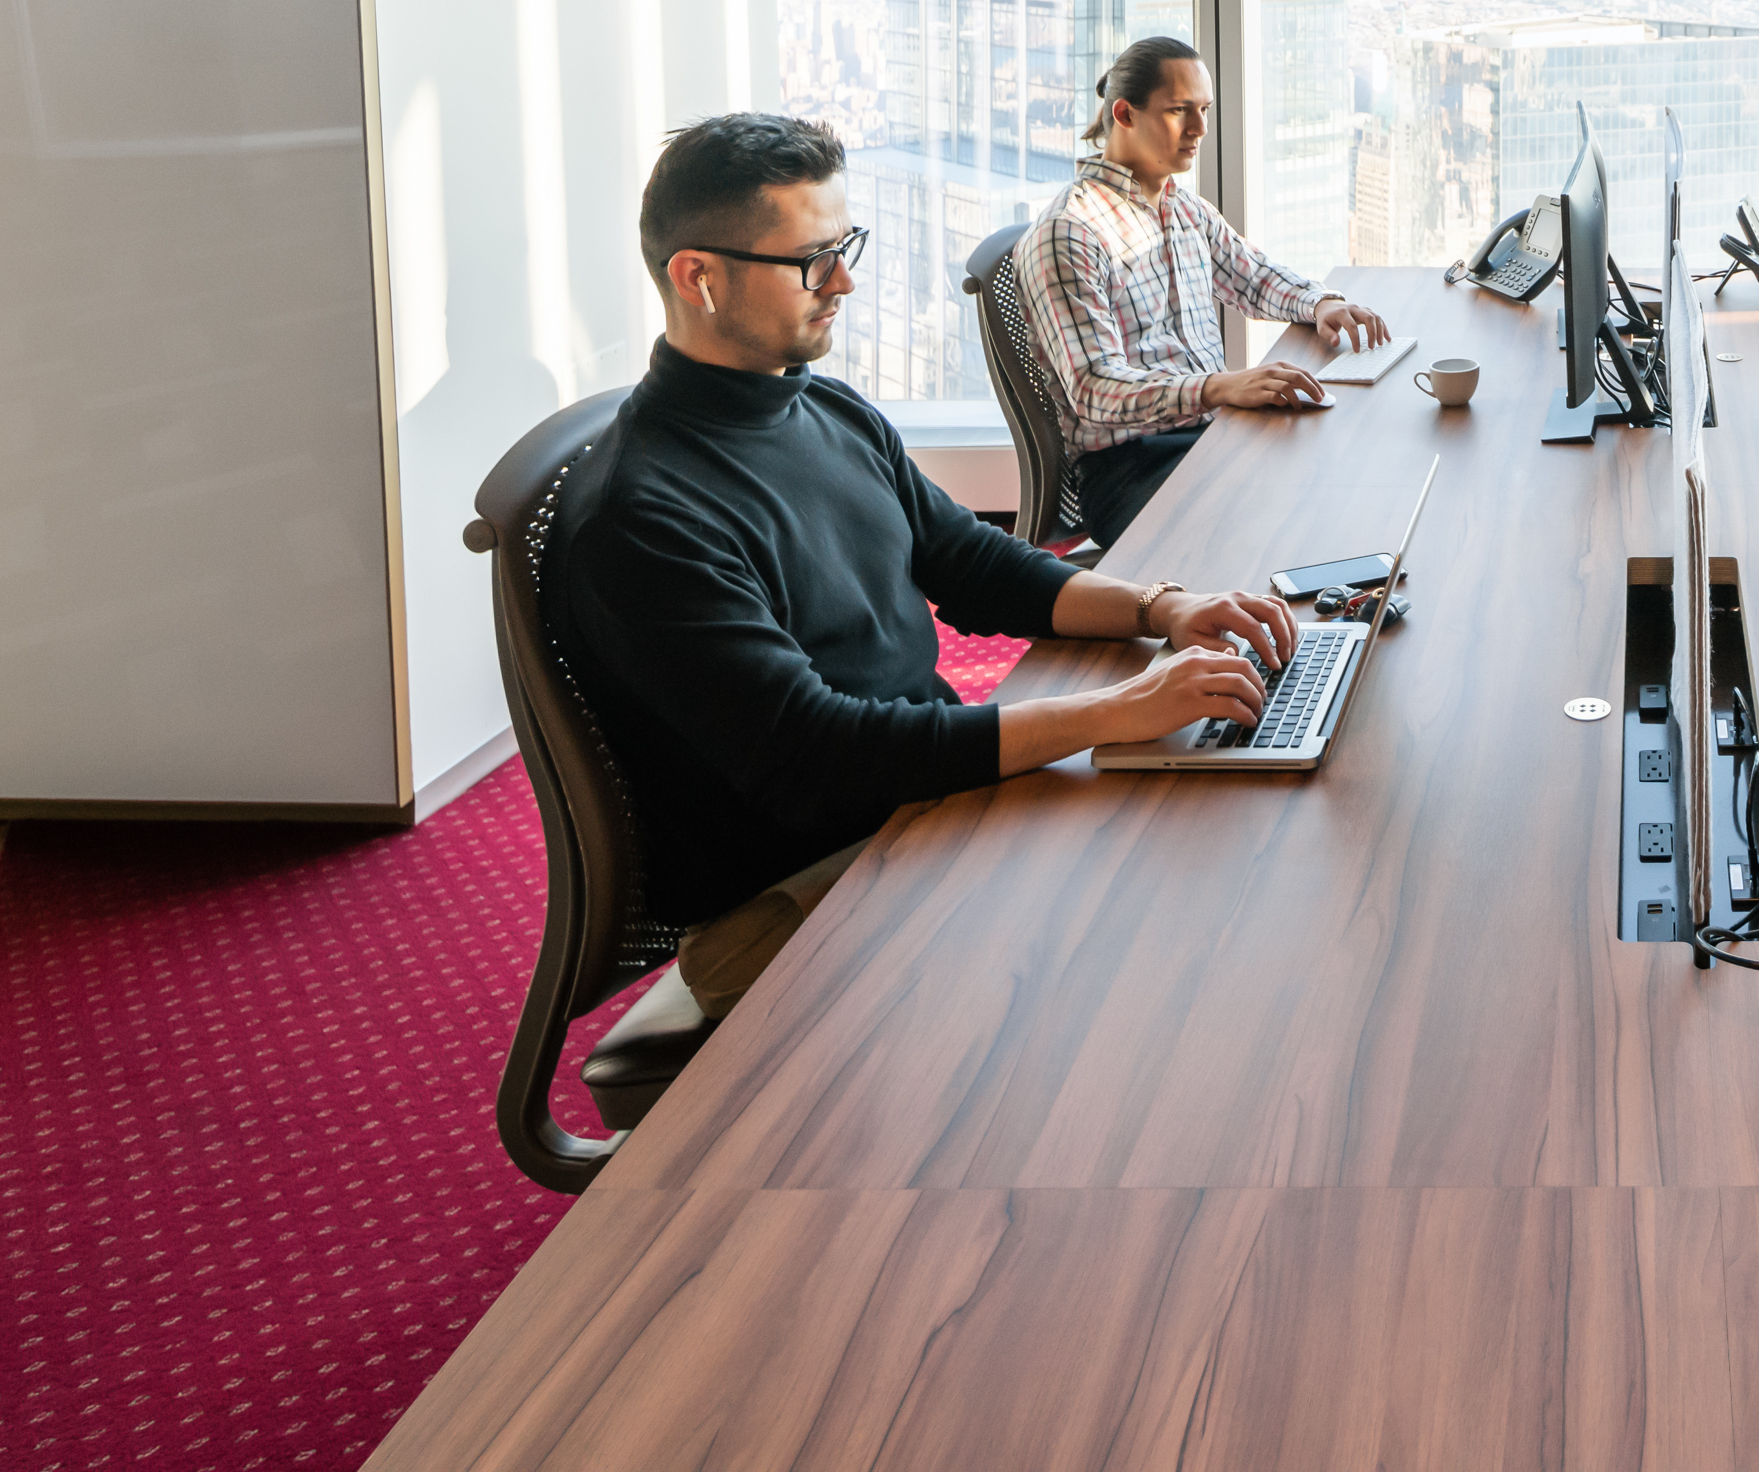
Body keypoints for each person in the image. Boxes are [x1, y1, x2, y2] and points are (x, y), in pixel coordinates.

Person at [551, 113, 1298, 1019]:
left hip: (913, 809)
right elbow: (822, 757)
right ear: (696, 277)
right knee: (1162, 957)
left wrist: (1162, 609)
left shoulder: (823, 408)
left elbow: (970, 560)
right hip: (799, 892)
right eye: (810, 261)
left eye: (845, 245)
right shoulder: (639, 518)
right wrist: (1120, 708)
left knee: (1216, 868)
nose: (845, 281)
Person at [1015, 35, 1392, 548]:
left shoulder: (1183, 209)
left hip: (1209, 432)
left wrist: (1321, 302)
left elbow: (1252, 276)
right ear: (1124, 114)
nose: (1199, 130)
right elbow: (1094, 389)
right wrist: (1218, 387)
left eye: (1205, 110)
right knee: (1298, 510)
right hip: (1132, 469)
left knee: (1341, 463)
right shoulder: (1069, 232)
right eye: (1179, 112)